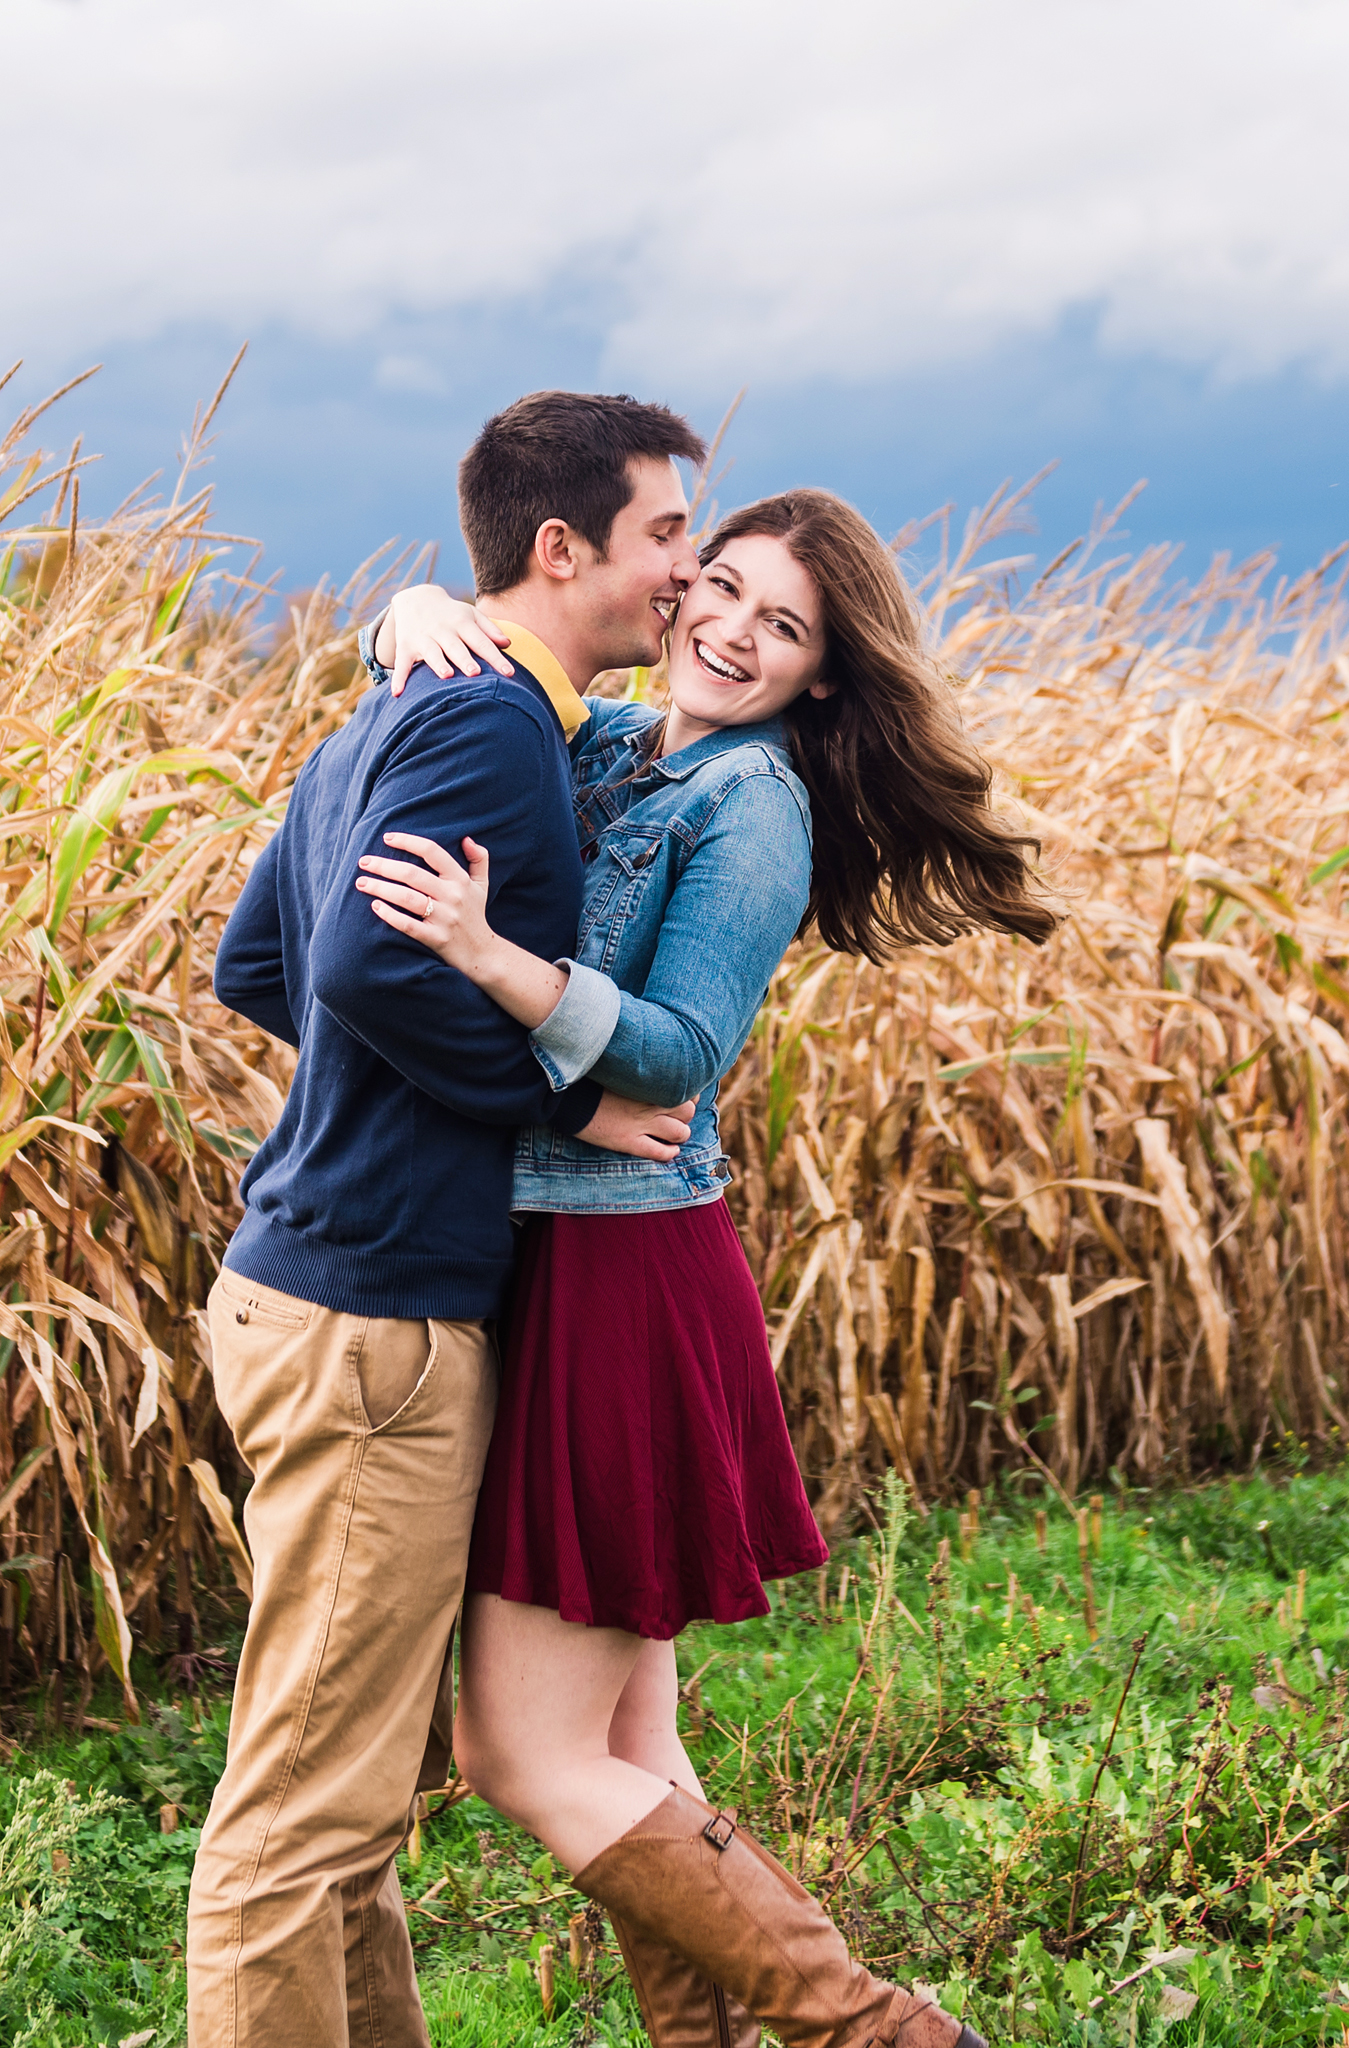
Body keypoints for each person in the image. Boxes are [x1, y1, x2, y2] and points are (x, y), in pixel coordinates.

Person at [355, 488, 1056, 2048]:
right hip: (556, 1265)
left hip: (627, 1283)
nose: (730, 631)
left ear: (822, 673)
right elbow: (496, 686)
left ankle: (881, 2033)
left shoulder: (754, 803)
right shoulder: (615, 744)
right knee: (630, 1742)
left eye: (782, 626)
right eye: (721, 588)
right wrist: (407, 613)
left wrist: (486, 956)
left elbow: (676, 1049)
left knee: (523, 1757)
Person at [190, 390, 709, 2048]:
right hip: (375, 1318)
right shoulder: (485, 725)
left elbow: (257, 965)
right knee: (304, 1821)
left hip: (315, 1285)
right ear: (562, 549)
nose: (686, 576)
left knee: (348, 1814)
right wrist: (562, 1096)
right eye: (666, 536)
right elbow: (344, 966)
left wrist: (390, 1094)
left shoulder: (407, 703)